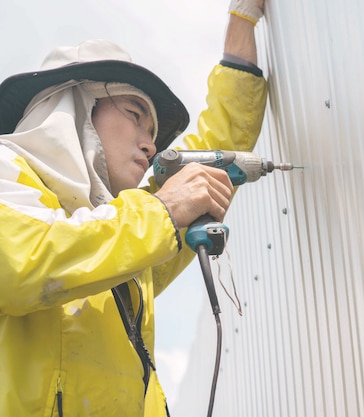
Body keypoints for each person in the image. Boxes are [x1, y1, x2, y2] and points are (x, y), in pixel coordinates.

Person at [0, 0, 267, 415]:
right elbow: (21, 264)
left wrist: (241, 24)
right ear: (75, 106)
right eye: (134, 114)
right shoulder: (6, 171)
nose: (151, 144)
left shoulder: (128, 236)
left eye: (153, 132)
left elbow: (215, 148)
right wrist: (163, 210)